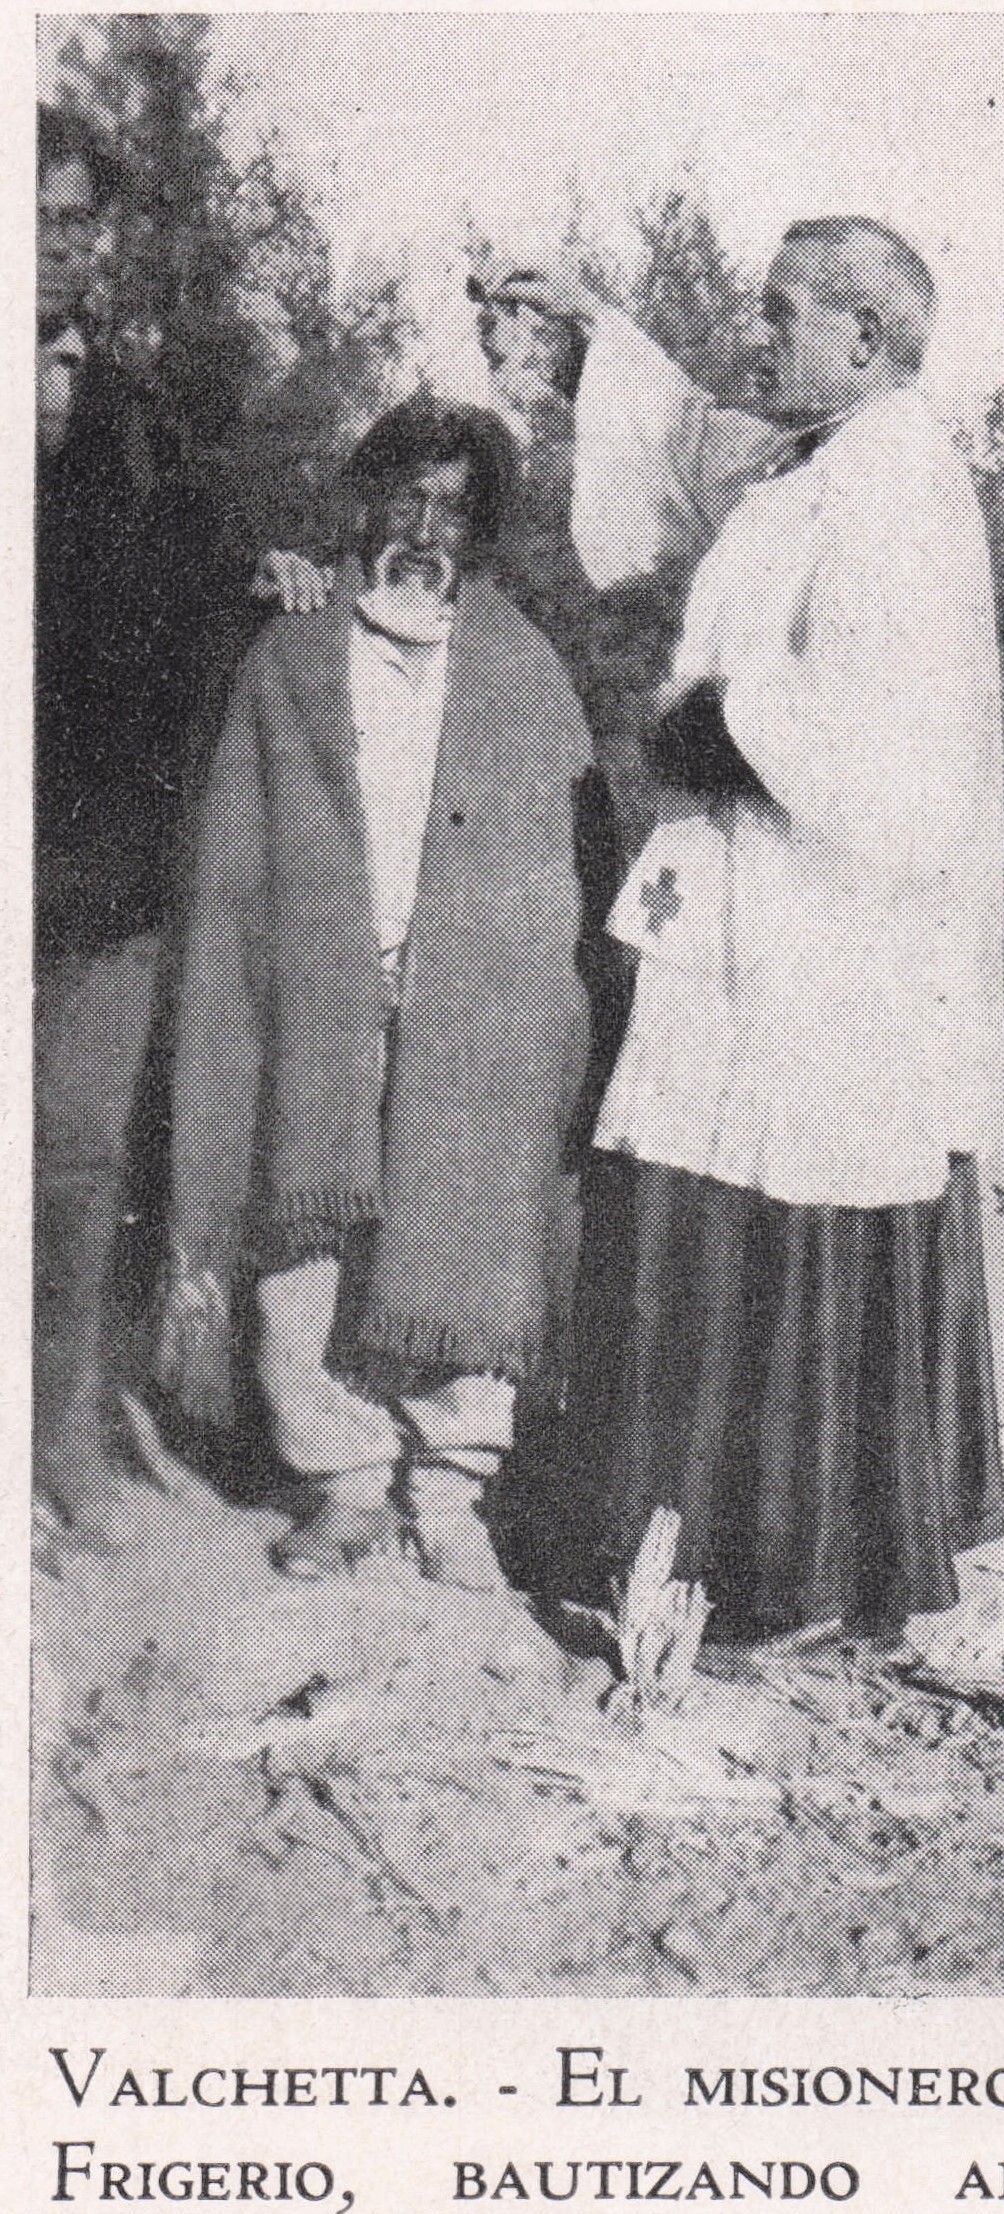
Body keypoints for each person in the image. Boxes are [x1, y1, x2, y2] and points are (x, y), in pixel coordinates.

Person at [491, 218, 1004, 1650]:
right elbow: (692, 443)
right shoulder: (818, 456)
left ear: (866, 337)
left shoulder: (899, 484)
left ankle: (795, 1573)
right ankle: (721, 1547)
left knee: (788, 1199)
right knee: (709, 1171)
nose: (758, 334)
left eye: (783, 313)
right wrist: (590, 338)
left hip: (829, 928)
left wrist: (711, 724)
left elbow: (894, 737)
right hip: (752, 899)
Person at [159, 400, 594, 1587]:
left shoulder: (524, 668)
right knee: (308, 1230)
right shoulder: (294, 649)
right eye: (406, 496)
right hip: (319, 985)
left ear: (483, 531)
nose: (424, 529)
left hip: (477, 999)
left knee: (471, 1222)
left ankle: (449, 1491)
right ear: (366, 503)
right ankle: (343, 1481)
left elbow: (569, 854)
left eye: (455, 506)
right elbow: (233, 833)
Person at [35, 105, 230, 1549]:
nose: (60, 239)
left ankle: (60, 1438)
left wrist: (268, 580)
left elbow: (190, 596)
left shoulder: (139, 418)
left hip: (98, 866)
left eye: (78, 217)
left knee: (76, 1164)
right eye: (34, 210)